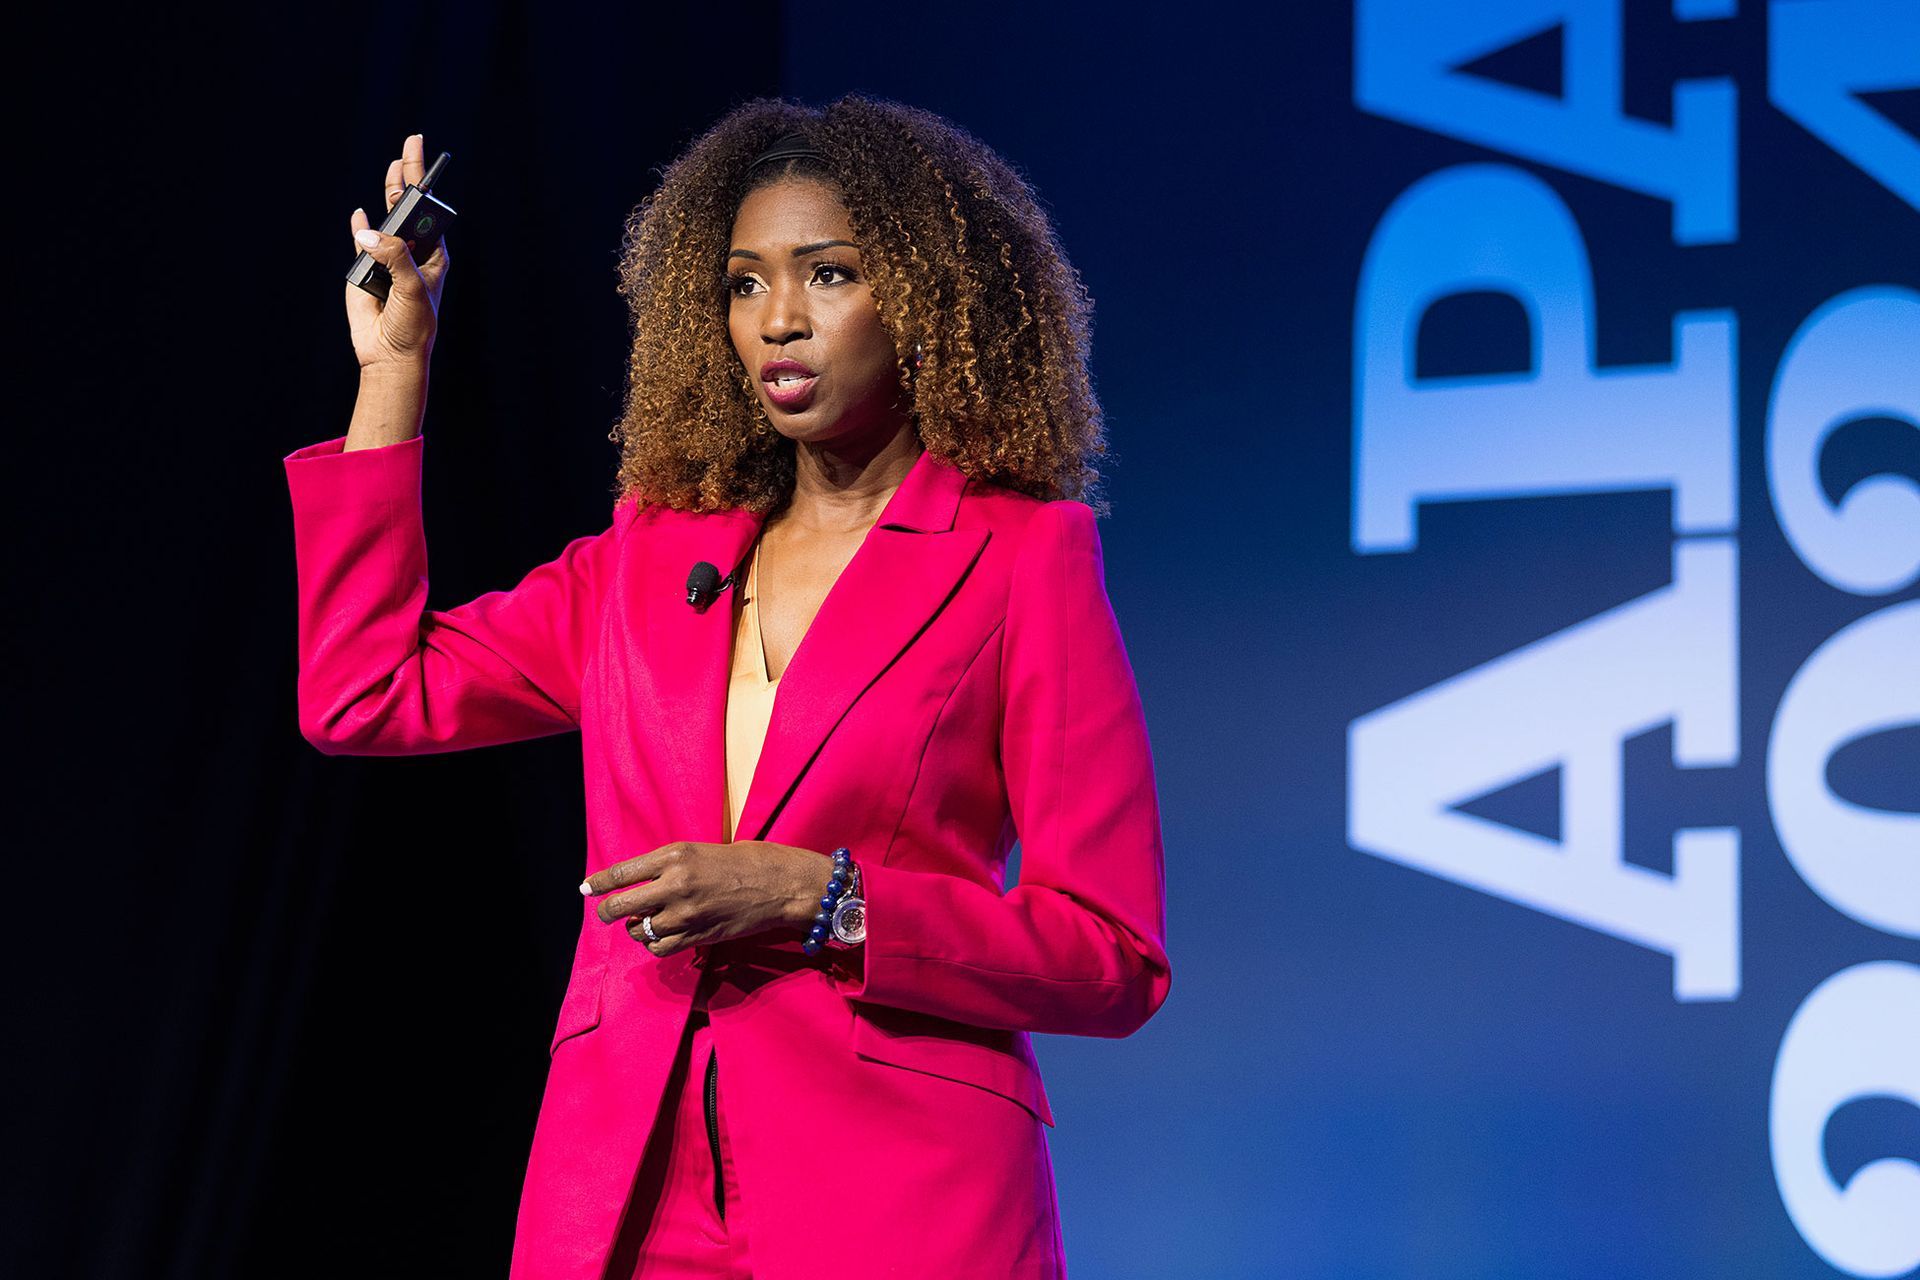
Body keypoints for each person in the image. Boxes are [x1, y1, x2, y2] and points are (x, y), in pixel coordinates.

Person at [284, 96, 1169, 1280]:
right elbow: (365, 692)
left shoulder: (1021, 557)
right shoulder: (652, 555)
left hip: (902, 1198)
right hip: (630, 1194)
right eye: (746, 284)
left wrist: (825, 898)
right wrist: (395, 372)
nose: (780, 321)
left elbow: (1110, 953)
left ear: (926, 296)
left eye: (831, 273)